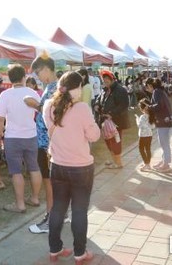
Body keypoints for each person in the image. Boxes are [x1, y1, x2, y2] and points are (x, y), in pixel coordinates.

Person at [43, 71, 100, 264]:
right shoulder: (82, 108)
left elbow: (53, 132)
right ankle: (79, 253)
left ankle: (54, 249)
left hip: (57, 165)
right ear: (77, 88)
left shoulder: (48, 106)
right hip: (81, 168)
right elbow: (94, 136)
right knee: (79, 211)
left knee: (58, 208)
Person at [0, 64, 42, 213]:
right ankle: (34, 198)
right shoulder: (33, 92)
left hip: (13, 137)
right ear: (24, 77)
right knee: (34, 168)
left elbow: (0, 118)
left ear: (9, 78)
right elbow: (40, 112)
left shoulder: (5, 95)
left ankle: (20, 204)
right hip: (31, 135)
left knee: (16, 171)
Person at [27, 55, 58, 233]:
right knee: (53, 182)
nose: (38, 76)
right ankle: (59, 215)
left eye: (38, 72)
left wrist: (36, 106)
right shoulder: (53, 87)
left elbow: (52, 115)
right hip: (48, 143)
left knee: (50, 183)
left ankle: (51, 220)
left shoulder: (54, 88)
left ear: (47, 68)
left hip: (47, 144)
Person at [94, 70, 129, 169]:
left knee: (116, 142)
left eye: (107, 80)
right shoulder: (105, 89)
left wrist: (112, 114)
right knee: (109, 141)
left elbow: (124, 105)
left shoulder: (120, 90)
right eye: (104, 80)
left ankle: (118, 163)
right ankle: (115, 160)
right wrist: (96, 105)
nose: (105, 82)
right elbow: (98, 99)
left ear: (112, 79)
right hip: (105, 121)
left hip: (116, 121)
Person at [147, 78, 172, 172]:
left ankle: (166, 164)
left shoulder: (156, 92)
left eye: (147, 87)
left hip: (163, 121)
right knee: (163, 142)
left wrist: (149, 107)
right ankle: (164, 161)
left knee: (164, 143)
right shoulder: (161, 91)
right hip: (166, 120)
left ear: (150, 85)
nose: (147, 89)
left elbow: (159, 105)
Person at [135, 99, 154, 172]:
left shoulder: (142, 117)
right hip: (150, 135)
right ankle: (148, 163)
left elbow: (140, 125)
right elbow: (153, 127)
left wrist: (137, 119)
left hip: (143, 136)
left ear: (144, 108)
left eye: (140, 108)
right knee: (148, 149)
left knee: (141, 149)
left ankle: (147, 164)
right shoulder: (152, 116)